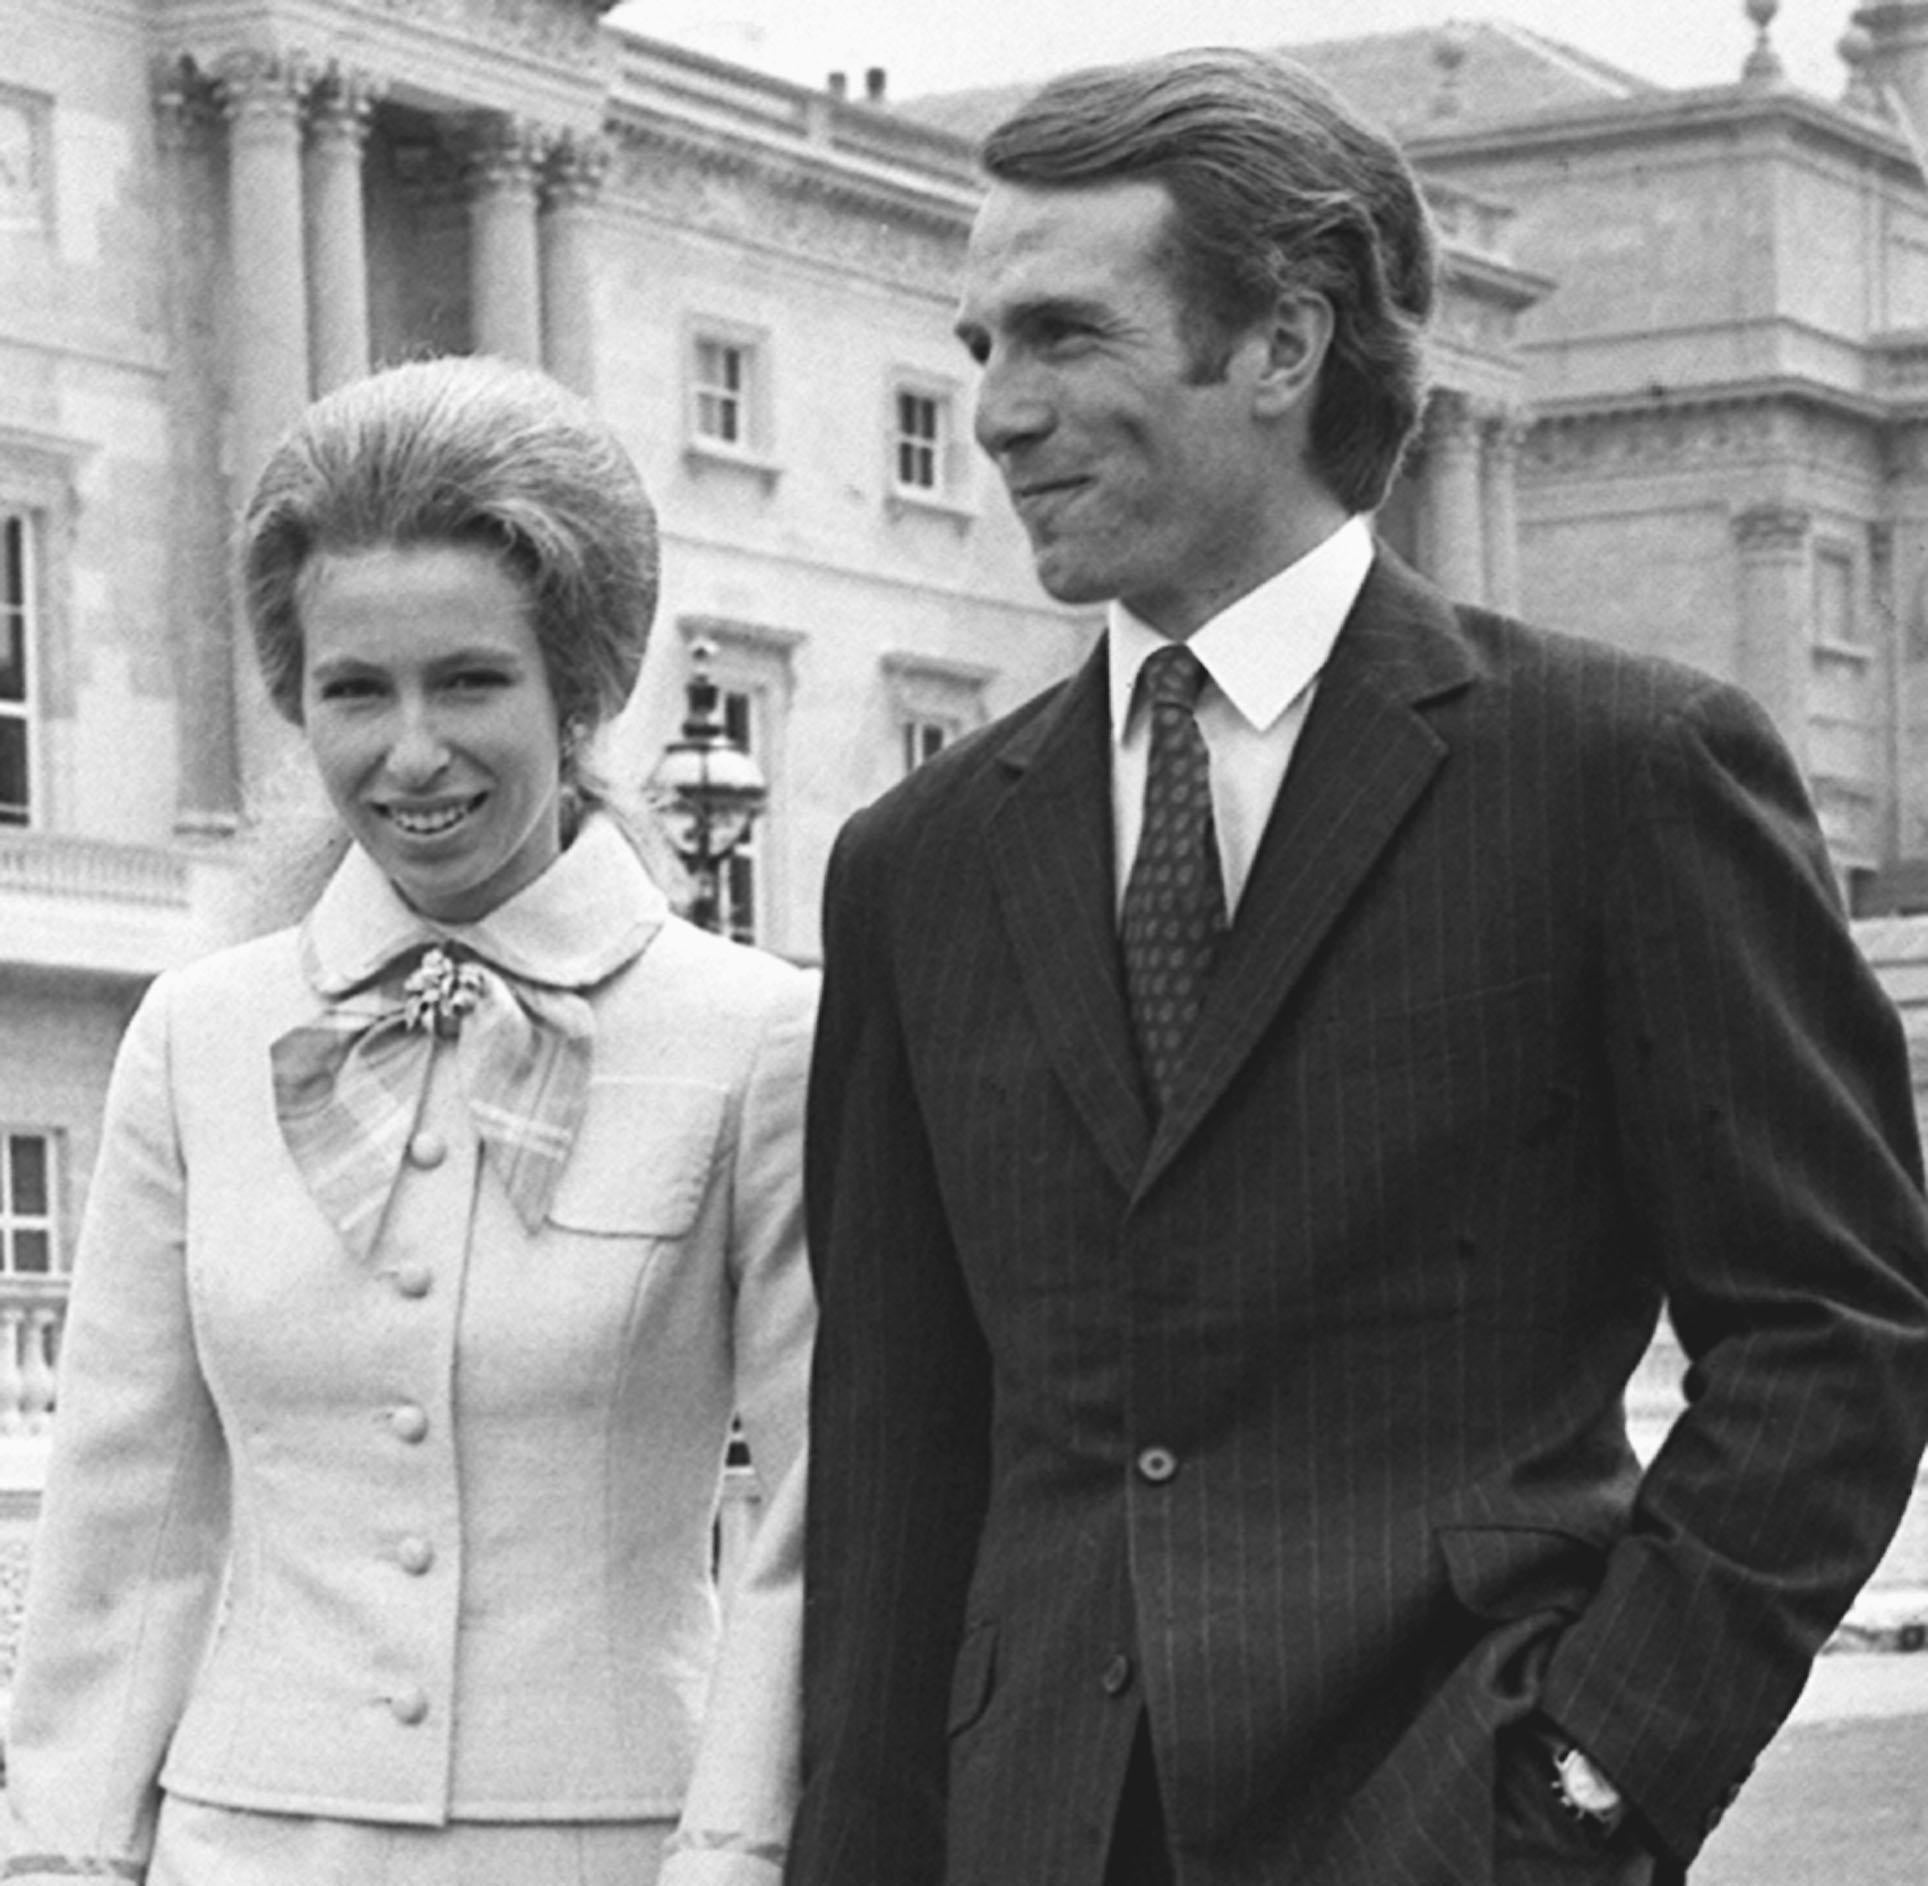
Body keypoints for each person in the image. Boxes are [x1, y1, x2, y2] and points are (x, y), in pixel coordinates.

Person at [787, 47, 1928, 1886]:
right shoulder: (913, 868)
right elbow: (895, 1465)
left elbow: (1834, 1331)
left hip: (1456, 1817)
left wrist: (1587, 1780)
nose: (994, 409)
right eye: (980, 340)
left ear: (1282, 347)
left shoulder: (1622, 771)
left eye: (1063, 334)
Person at [4, 356, 815, 1886]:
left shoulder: (757, 1038)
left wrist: (735, 1859)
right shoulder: (198, 1037)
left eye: (471, 680)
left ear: (577, 690)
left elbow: (810, 1517)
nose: (411, 751)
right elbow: (125, 1511)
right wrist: (61, 1863)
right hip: (238, 1849)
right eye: (354, 690)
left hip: (616, 1854)